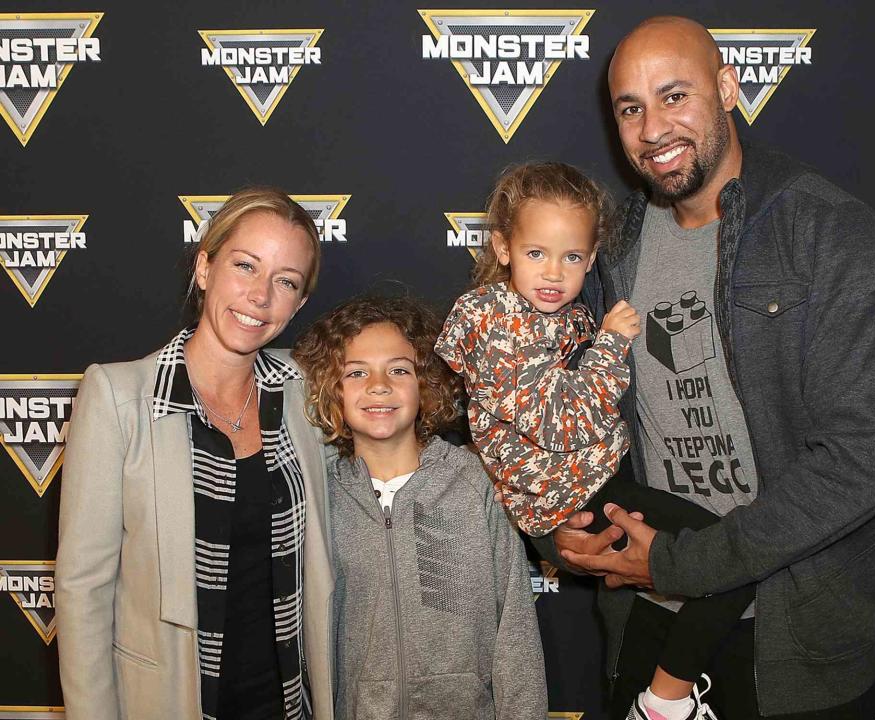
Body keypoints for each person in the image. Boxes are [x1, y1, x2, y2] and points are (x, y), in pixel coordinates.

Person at [535, 16, 875, 720]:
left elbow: (866, 457)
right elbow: (550, 407)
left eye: (674, 96)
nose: (652, 129)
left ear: (728, 88)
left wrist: (684, 565)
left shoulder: (825, 229)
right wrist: (553, 523)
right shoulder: (606, 249)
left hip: (792, 643)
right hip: (647, 627)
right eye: (630, 108)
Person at [435, 161, 758, 720]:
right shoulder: (492, 321)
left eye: (573, 257)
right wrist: (611, 343)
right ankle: (662, 703)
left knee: (723, 561)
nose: (555, 273)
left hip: (597, 480)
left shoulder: (563, 314)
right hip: (575, 496)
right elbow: (563, 420)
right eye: (537, 253)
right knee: (729, 559)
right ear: (503, 247)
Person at [56, 188, 335, 720]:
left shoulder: (303, 393)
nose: (260, 295)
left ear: (299, 304)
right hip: (167, 702)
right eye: (245, 266)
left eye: (285, 282)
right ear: (205, 266)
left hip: (286, 704)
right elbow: (82, 591)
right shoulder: (118, 397)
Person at [292, 295, 547, 720]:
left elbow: (515, 625)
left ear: (424, 383)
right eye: (356, 372)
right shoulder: (319, 494)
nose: (379, 385)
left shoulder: (474, 483)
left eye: (398, 369)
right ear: (330, 390)